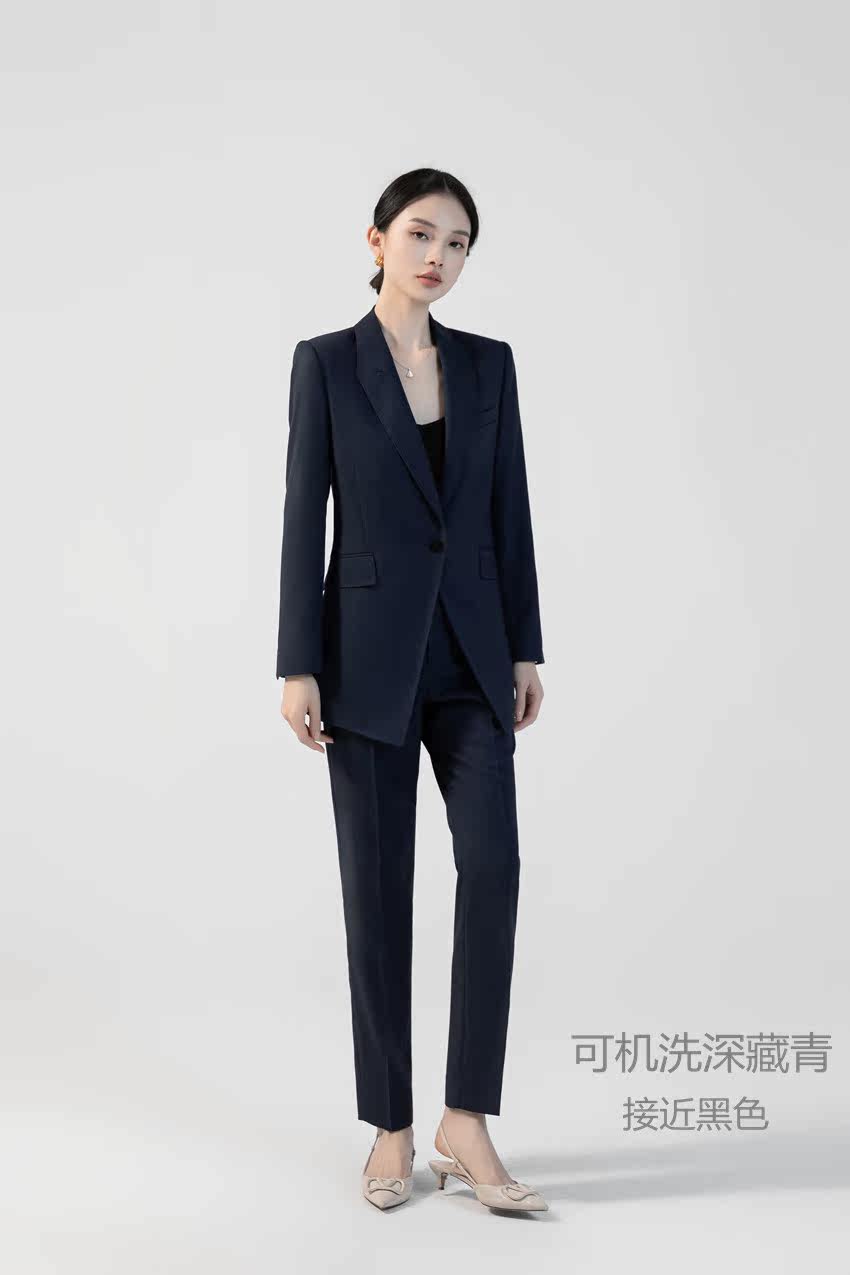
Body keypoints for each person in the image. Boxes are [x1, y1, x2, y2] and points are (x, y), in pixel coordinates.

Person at [276, 168, 548, 1213]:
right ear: (377, 240)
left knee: (495, 864)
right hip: (364, 662)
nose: (439, 256)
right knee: (378, 890)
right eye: (422, 233)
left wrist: (524, 647)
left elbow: (509, 512)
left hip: (474, 659)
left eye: (459, 242)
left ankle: (463, 1120)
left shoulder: (488, 365)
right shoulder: (327, 363)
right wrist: (298, 661)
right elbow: (304, 518)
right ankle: (390, 1124)